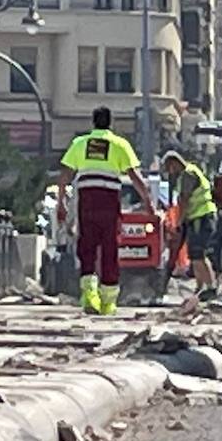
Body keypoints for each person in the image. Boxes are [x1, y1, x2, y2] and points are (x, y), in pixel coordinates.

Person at [56, 107, 151, 316]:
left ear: (93, 122)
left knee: (87, 245)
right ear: (110, 123)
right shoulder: (119, 144)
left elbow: (64, 174)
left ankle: (90, 294)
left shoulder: (80, 143)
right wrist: (148, 202)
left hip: (87, 200)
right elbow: (135, 176)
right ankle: (108, 301)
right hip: (109, 201)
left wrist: (61, 202)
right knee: (110, 248)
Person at [161, 151, 220, 301]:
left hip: (201, 216)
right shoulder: (190, 172)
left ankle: (210, 287)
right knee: (195, 255)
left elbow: (185, 200)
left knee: (198, 253)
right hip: (198, 217)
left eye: (169, 168)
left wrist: (179, 222)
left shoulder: (188, 175)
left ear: (175, 163)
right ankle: (200, 288)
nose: (170, 172)